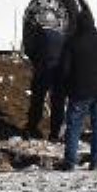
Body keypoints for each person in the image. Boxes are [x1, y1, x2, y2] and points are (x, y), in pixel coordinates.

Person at [57, 9, 97, 171]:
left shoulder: (71, 43)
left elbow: (64, 70)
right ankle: (96, 162)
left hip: (78, 92)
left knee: (74, 126)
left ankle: (70, 162)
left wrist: (66, 88)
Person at [21, 10, 67, 141]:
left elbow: (30, 51)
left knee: (37, 101)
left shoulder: (38, 36)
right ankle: (55, 133)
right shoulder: (61, 37)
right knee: (58, 103)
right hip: (58, 73)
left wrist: (37, 62)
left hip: (42, 71)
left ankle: (32, 128)